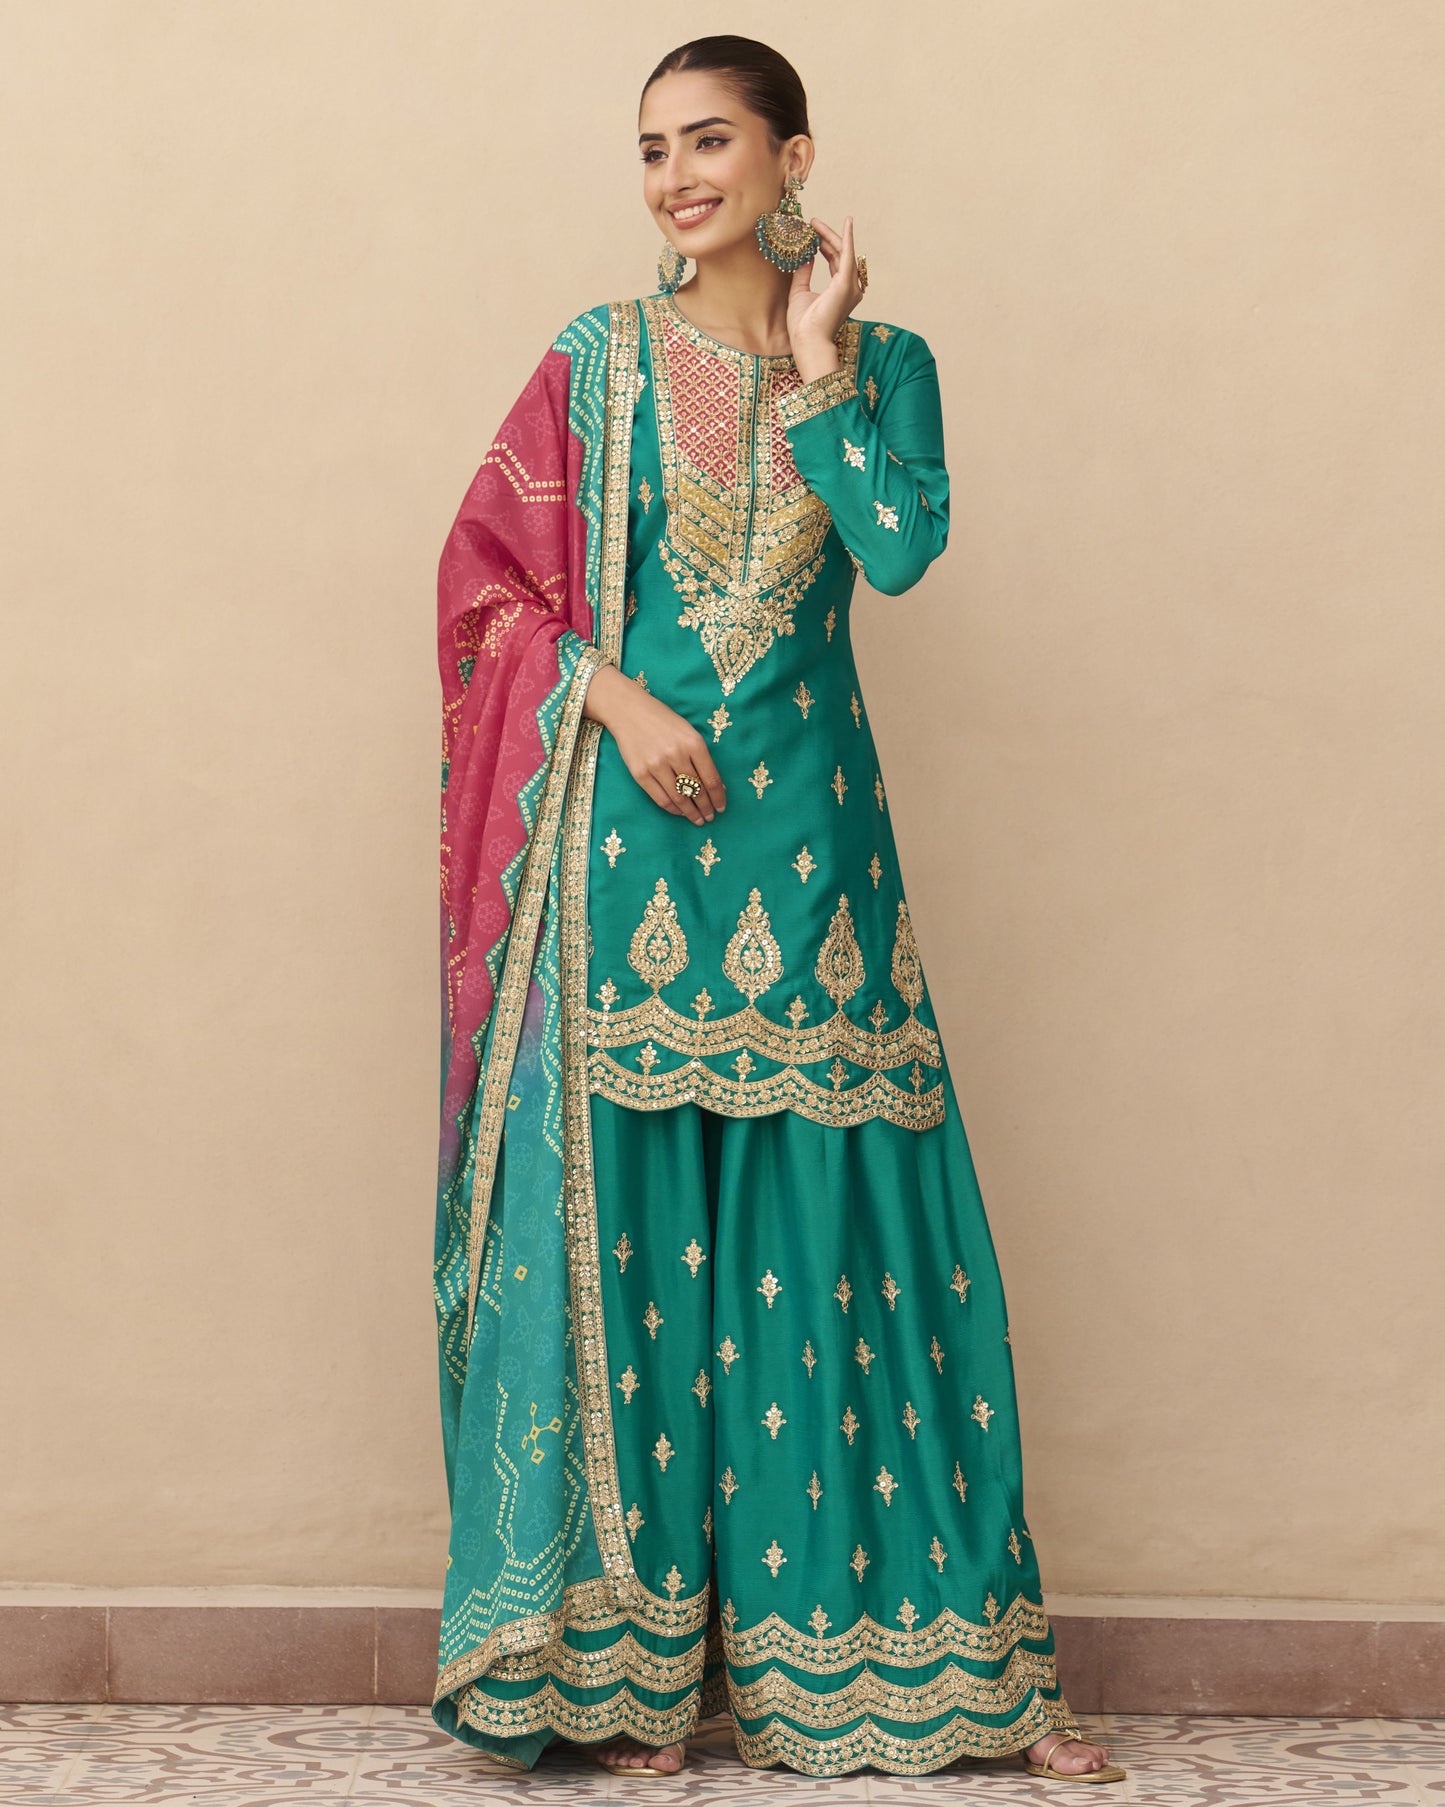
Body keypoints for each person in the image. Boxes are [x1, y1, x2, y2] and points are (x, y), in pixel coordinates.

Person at [430, 32, 1124, 1787]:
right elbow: (482, 591)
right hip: (628, 865)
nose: (675, 176)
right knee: (641, 1257)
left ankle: (918, 1673)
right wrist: (618, 698)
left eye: (711, 140)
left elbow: (895, 551)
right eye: (652, 148)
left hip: (818, 869)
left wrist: (813, 376)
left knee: (843, 1251)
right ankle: (631, 1687)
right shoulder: (593, 369)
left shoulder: (886, 365)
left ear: (791, 158)